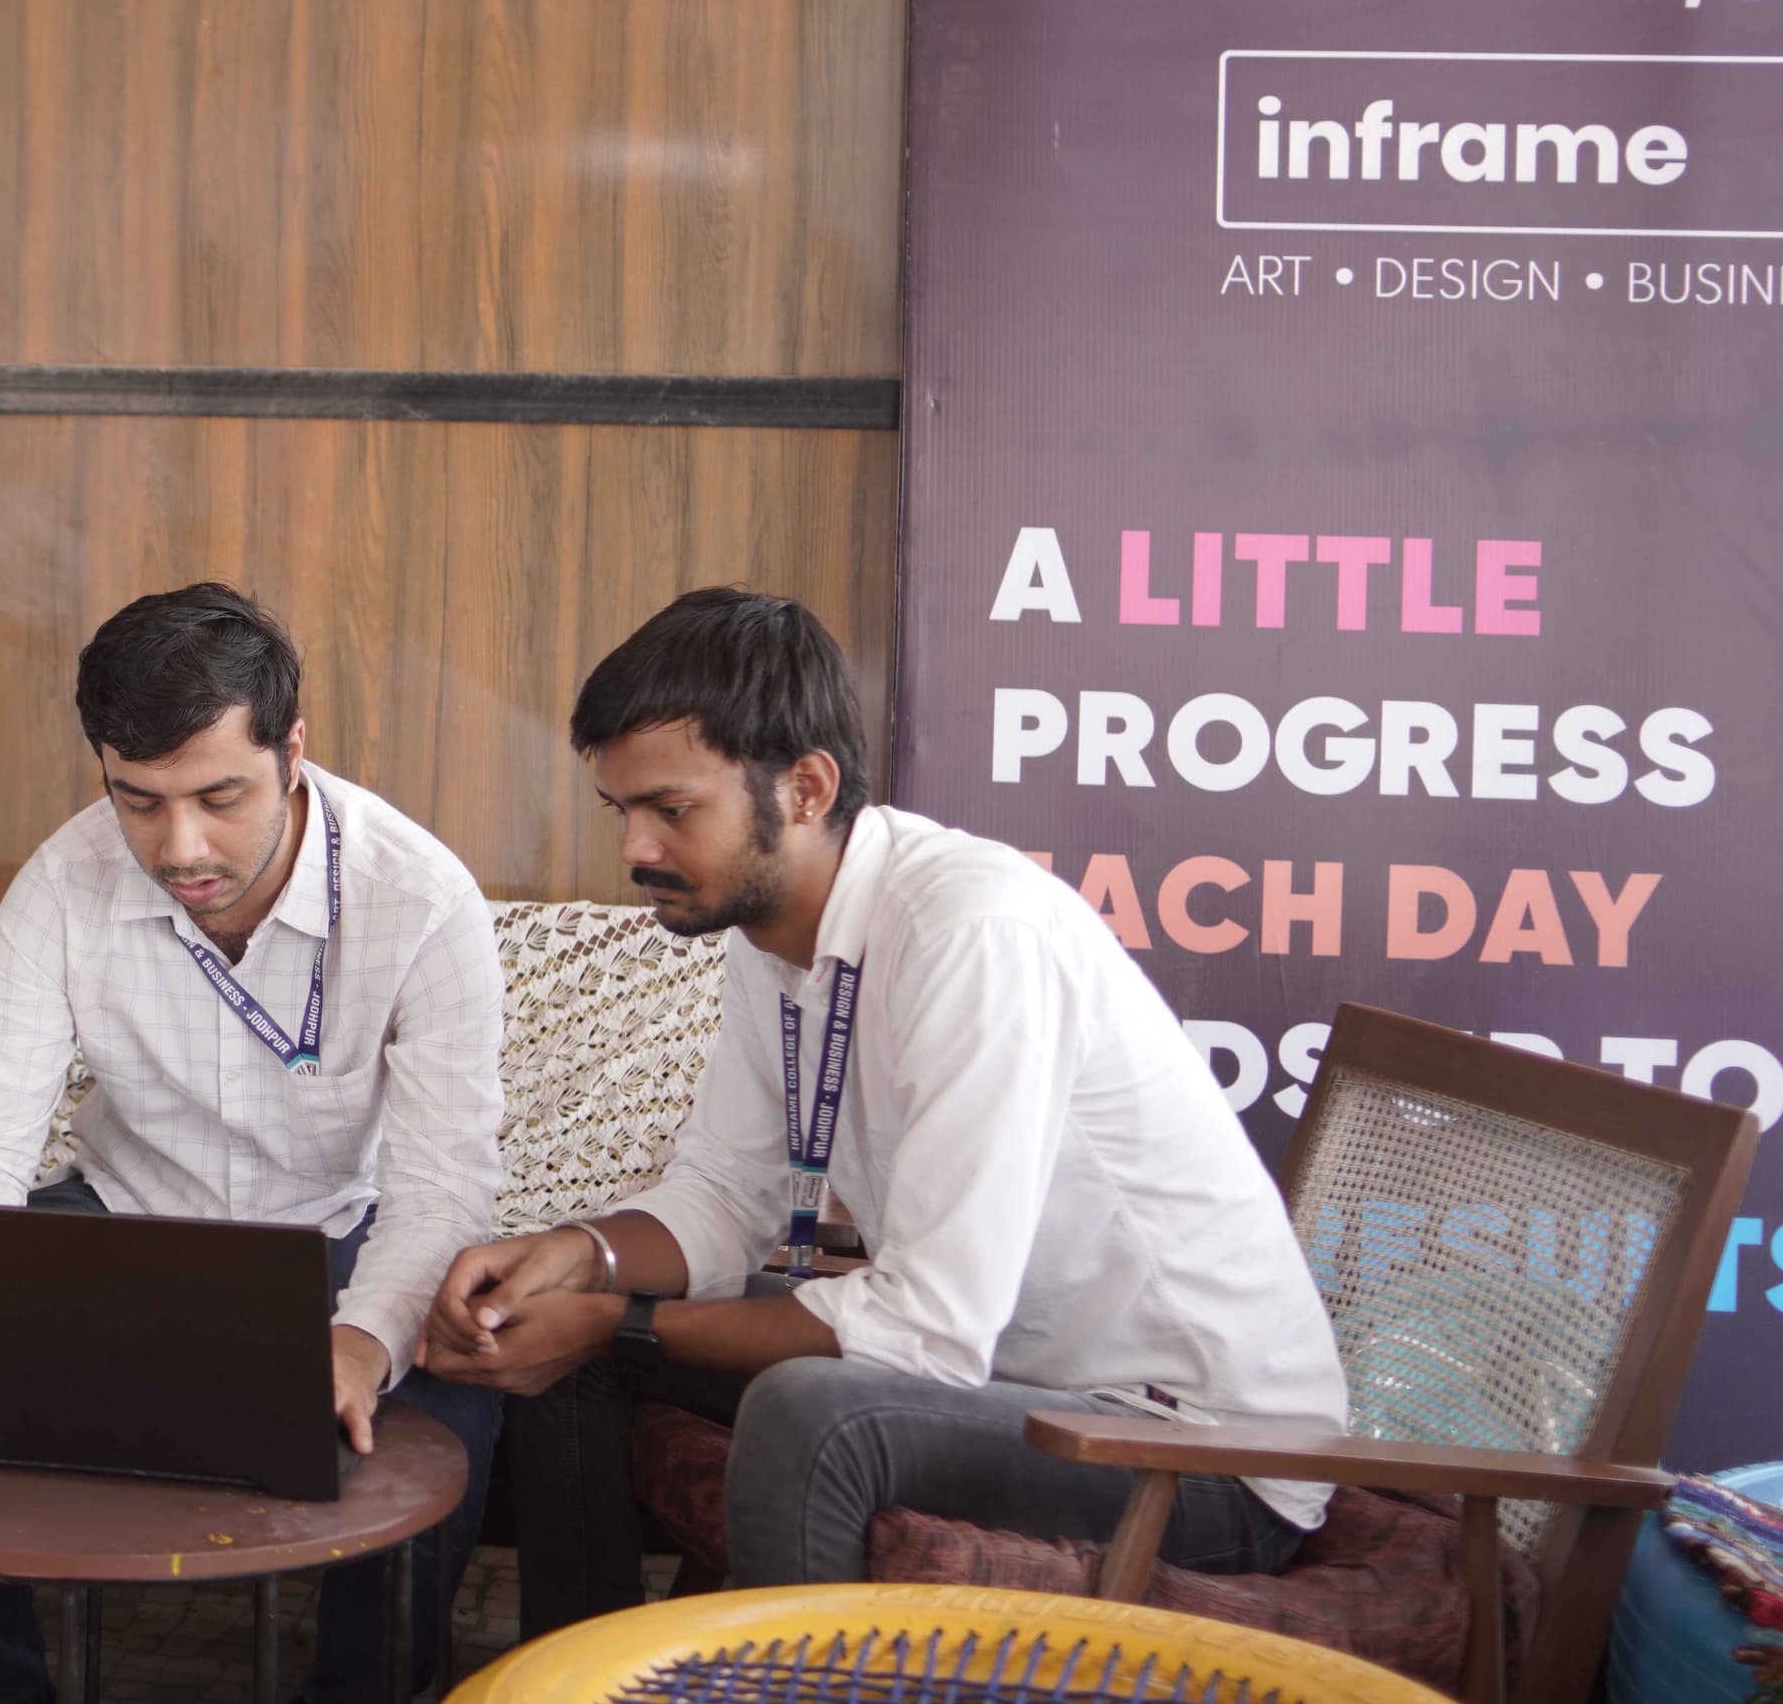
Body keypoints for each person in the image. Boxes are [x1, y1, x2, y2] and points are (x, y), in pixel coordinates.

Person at [426, 587, 1347, 1631]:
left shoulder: (972, 932)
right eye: (621, 810)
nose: (635, 847)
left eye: (672, 809)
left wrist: (620, 1319)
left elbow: (928, 1332)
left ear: (807, 787)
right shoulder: (764, 934)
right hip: (1008, 1384)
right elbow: (727, 1196)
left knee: (812, 1413)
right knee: (560, 1363)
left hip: (1192, 1448)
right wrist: (580, 1258)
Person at [0, 584, 505, 1704]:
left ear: (294, 753)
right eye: (138, 797)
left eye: (219, 796)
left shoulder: (422, 897)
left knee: (454, 1410)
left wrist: (363, 1338)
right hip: (128, 1219)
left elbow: (448, 1186)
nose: (178, 842)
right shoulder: (64, 882)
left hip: (340, 1236)